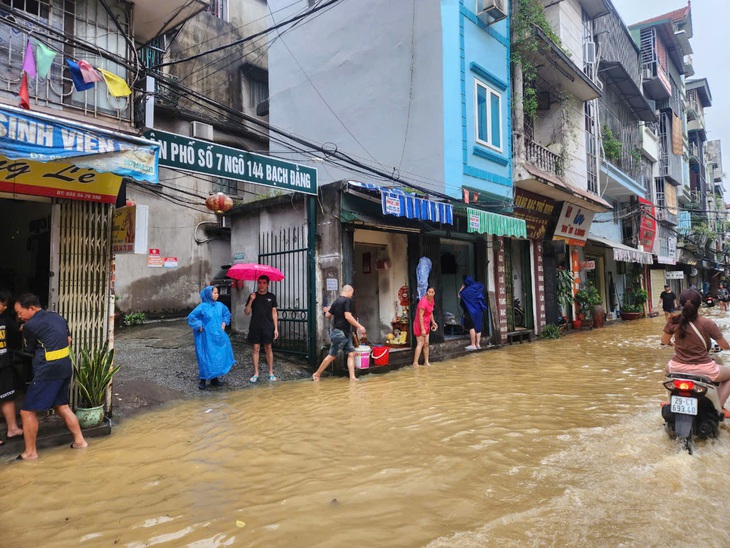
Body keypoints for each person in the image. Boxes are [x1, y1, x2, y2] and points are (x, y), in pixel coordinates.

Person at [13, 293, 87, 460]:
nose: (19, 316)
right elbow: (68, 340)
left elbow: (28, 351)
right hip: (65, 366)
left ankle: (30, 452)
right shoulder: (57, 317)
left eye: (20, 312)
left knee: (27, 412)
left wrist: (24, 333)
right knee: (62, 406)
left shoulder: (30, 326)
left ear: (31, 308)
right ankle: (80, 441)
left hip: (48, 370)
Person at [661, 289, 730, 410]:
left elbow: (664, 341)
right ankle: (718, 408)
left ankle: (672, 399)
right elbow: (724, 346)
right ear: (699, 304)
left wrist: (672, 343)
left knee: (667, 371)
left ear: (682, 304)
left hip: (676, 367)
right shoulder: (708, 323)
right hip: (705, 369)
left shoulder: (673, 321)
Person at [312, 285, 366, 382]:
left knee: (351, 353)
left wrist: (327, 310)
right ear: (349, 291)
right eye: (352, 293)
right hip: (341, 333)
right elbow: (348, 316)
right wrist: (359, 326)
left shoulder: (336, 301)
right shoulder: (347, 301)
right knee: (332, 355)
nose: (352, 295)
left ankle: (352, 377)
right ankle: (317, 374)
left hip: (343, 332)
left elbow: (327, 315)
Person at [187, 286, 235, 390]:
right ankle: (203, 380)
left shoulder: (220, 306)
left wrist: (224, 323)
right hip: (205, 337)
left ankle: (214, 378)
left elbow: (226, 314)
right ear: (208, 294)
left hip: (217, 336)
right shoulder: (202, 307)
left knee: (216, 356)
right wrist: (199, 325)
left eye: (217, 293)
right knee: (205, 357)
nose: (216, 295)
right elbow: (191, 317)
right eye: (214, 293)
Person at [244, 275, 279, 383]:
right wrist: (251, 300)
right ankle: (256, 373)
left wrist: (276, 328)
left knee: (268, 348)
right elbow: (246, 312)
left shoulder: (272, 297)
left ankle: (270, 372)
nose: (261, 285)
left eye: (264, 282)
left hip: (268, 327)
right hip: (255, 326)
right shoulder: (252, 296)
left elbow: (274, 313)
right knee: (255, 348)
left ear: (267, 284)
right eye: (259, 282)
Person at [0, 291, 23, 442]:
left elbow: (17, 330)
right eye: (2, 303)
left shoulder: (4, 318)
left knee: (8, 396)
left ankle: (13, 429)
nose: (5, 307)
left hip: (3, 364)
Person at [458, 276, 487, 351]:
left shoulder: (466, 291)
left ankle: (473, 344)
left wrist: (461, 288)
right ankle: (478, 344)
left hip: (470, 311)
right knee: (478, 327)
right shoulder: (477, 287)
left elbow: (459, 295)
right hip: (478, 310)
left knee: (471, 327)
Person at [412, 286, 437, 367]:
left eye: (432, 292)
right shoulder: (423, 302)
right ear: (427, 292)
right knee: (420, 343)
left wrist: (433, 322)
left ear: (434, 293)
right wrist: (422, 329)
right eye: (429, 292)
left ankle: (426, 362)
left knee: (426, 343)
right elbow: (420, 316)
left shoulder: (432, 300)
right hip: (420, 324)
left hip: (426, 324)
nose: (430, 294)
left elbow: (430, 312)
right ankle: (415, 363)